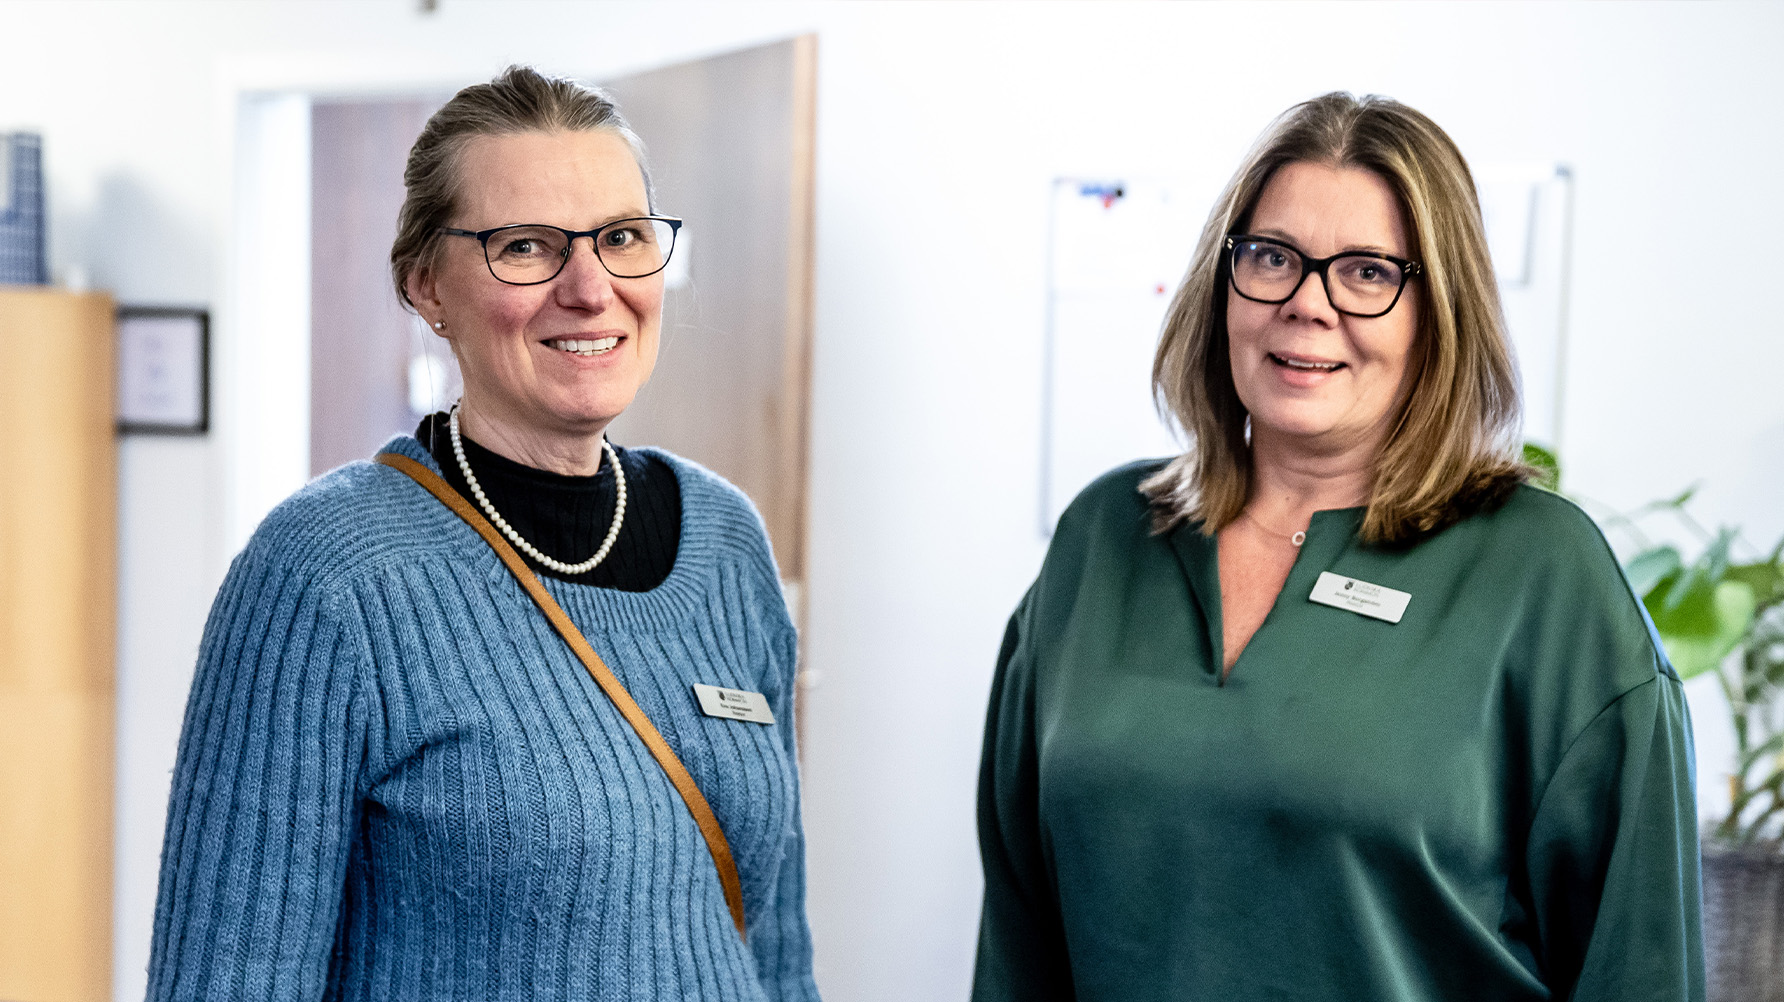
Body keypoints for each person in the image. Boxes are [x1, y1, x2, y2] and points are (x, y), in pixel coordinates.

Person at [973, 93, 1703, 1002]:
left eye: (1366, 273)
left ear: (1440, 310)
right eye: (1272, 258)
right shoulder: (1102, 541)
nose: (1307, 305)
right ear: (1223, 281)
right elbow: (1017, 942)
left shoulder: (1545, 581)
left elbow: (1641, 970)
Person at [147, 67, 820, 1002]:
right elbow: (228, 981)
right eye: (527, 246)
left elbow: (776, 945)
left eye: (623, 238)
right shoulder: (328, 575)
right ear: (427, 285)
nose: (590, 289)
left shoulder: (725, 540)